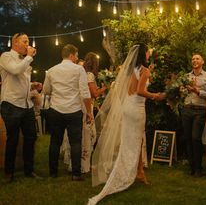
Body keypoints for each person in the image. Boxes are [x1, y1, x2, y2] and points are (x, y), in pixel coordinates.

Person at [87, 43, 166, 205]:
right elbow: (140, 91)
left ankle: (139, 172)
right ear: (143, 54)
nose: (149, 54)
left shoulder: (129, 70)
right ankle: (132, 173)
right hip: (137, 109)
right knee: (137, 140)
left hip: (127, 107)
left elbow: (129, 89)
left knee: (130, 141)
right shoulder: (144, 71)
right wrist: (156, 96)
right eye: (147, 52)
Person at [42, 44, 92, 181]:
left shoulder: (51, 70)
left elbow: (46, 91)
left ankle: (53, 172)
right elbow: (85, 93)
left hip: (56, 110)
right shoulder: (78, 69)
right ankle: (76, 174)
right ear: (71, 55)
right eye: (76, 55)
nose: (77, 58)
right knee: (76, 142)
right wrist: (89, 112)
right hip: (74, 110)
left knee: (55, 141)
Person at [0, 32, 39, 182]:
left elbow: (20, 82)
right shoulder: (6, 57)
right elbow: (15, 71)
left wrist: (32, 85)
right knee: (13, 139)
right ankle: (9, 173)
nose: (28, 45)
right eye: (25, 41)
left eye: (28, 42)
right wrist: (29, 57)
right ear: (15, 43)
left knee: (31, 138)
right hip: (11, 105)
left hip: (26, 105)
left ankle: (29, 170)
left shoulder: (25, 61)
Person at [62, 52, 107, 173]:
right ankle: (84, 166)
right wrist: (106, 87)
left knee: (80, 136)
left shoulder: (80, 72)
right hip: (86, 107)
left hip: (78, 106)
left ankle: (79, 164)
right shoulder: (90, 75)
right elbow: (95, 94)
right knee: (88, 136)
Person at [181, 54, 206, 177]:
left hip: (200, 111)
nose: (194, 60)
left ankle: (199, 167)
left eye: (197, 59)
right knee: (188, 138)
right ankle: (192, 167)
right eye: (193, 59)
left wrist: (197, 90)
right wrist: (183, 90)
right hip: (187, 109)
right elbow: (181, 93)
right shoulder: (186, 77)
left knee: (196, 138)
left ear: (202, 61)